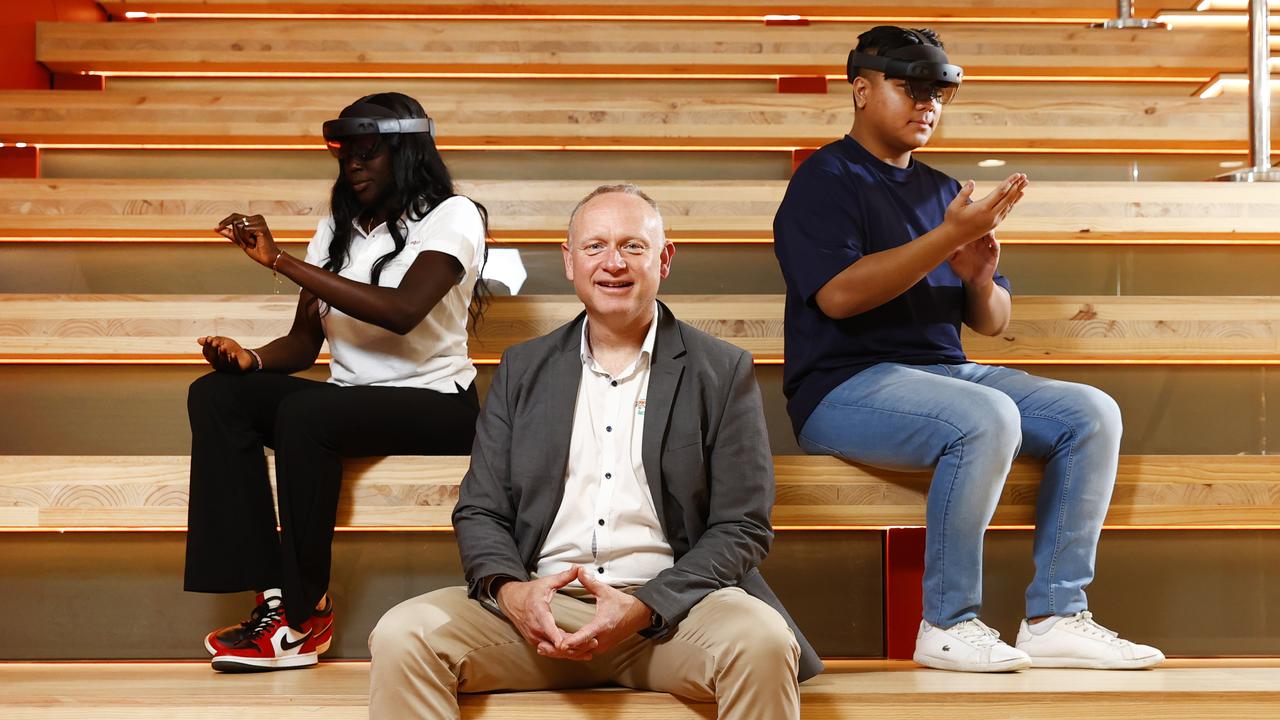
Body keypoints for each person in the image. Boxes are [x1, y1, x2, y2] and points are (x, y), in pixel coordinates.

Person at [772, 27, 1164, 672]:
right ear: (862, 90)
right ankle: (948, 623)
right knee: (986, 417)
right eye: (911, 88)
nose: (927, 103)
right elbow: (838, 298)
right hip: (844, 388)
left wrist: (979, 275)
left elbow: (992, 319)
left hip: (944, 374)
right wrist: (945, 238)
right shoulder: (825, 178)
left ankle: (1056, 616)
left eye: (937, 93)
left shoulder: (940, 188)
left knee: (1092, 412)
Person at [368, 184, 822, 719]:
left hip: (674, 615)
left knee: (764, 641)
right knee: (402, 634)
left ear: (664, 259)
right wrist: (513, 593)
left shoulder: (720, 371)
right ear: (569, 261)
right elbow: (480, 509)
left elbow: (742, 526)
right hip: (539, 615)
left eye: (633, 246)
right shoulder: (522, 369)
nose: (613, 263)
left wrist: (644, 605)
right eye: (595, 247)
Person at [184, 92, 488, 672]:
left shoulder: (454, 216)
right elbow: (304, 343)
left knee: (309, 415)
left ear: (406, 151)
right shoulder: (338, 228)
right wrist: (248, 360)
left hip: (437, 404)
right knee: (216, 396)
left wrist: (283, 261)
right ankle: (271, 591)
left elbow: (402, 310)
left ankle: (304, 618)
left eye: (368, 152)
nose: (353, 165)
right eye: (346, 153)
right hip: (350, 404)